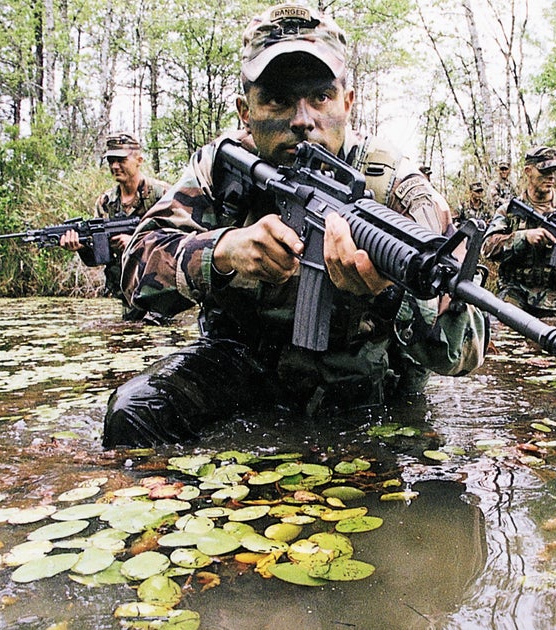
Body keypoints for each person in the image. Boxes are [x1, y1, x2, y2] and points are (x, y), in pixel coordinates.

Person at [101, 3, 488, 448]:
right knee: (135, 412)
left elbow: (468, 348)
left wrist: (388, 296)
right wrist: (222, 253)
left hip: (368, 385)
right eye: (277, 100)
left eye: (320, 97)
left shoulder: (396, 186)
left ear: (348, 102)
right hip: (245, 365)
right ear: (245, 111)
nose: (302, 119)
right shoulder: (221, 169)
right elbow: (136, 269)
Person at [60, 132, 169, 322]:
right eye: (111, 161)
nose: (114, 166)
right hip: (128, 297)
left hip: (164, 294)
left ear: (138, 160)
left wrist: (137, 243)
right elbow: (99, 258)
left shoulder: (162, 195)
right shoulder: (106, 202)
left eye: (121, 160)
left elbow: (181, 240)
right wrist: (81, 248)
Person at [481, 145, 556, 316]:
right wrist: (523, 238)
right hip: (516, 295)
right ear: (528, 171)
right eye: (544, 171)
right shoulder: (509, 210)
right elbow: (487, 248)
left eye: (554, 171)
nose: (551, 177)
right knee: (502, 335)